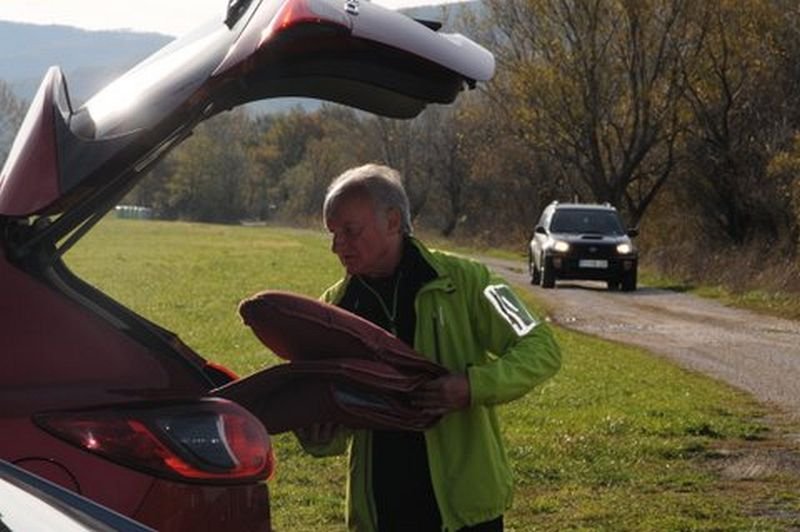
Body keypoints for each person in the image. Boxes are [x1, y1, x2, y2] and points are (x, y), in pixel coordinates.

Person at [296, 163, 561, 532]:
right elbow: (334, 420)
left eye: (350, 231)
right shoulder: (332, 310)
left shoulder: (470, 280)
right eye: (333, 233)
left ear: (392, 221)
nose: (336, 246)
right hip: (381, 513)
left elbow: (541, 345)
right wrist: (319, 436)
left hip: (468, 513)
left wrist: (472, 386)